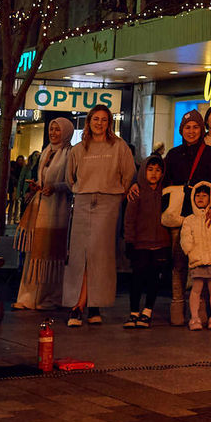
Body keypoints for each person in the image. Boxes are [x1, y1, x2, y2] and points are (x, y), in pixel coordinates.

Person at [64, 104, 135, 326]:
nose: (100, 123)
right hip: (83, 200)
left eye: (104, 119)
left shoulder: (119, 146)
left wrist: (116, 196)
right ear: (89, 121)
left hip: (109, 202)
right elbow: (69, 178)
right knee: (79, 254)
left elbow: (129, 174)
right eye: (96, 119)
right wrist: (81, 190)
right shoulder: (78, 148)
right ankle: (80, 303)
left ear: (109, 123)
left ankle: (91, 304)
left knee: (100, 254)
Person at [160, 109, 211, 325]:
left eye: (195, 127)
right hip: (178, 218)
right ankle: (178, 306)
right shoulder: (173, 154)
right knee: (178, 263)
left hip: (202, 219)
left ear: (202, 129)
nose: (191, 131)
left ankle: (200, 310)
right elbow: (165, 184)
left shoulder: (210, 154)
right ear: (181, 130)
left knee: (202, 266)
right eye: (187, 127)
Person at [14, 119, 74, 311]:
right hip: (40, 208)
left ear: (66, 132)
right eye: (52, 129)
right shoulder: (46, 152)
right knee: (35, 252)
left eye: (58, 130)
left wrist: (55, 187)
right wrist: (37, 186)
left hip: (57, 211)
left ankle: (49, 297)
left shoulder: (70, 154)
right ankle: (29, 296)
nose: (54, 133)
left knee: (51, 252)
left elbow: (73, 183)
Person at [122, 154, 169, 327]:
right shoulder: (137, 192)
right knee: (137, 278)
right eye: (150, 170)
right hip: (140, 243)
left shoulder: (166, 192)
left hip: (160, 243)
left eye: (158, 170)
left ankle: (148, 311)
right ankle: (134, 311)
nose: (154, 174)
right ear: (144, 171)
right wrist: (129, 241)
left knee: (154, 278)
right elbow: (129, 219)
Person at [180, 180, 211, 329]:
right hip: (197, 259)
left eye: (204, 195)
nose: (201, 198)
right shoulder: (189, 220)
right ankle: (194, 317)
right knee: (196, 289)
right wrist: (189, 250)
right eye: (198, 195)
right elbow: (185, 237)